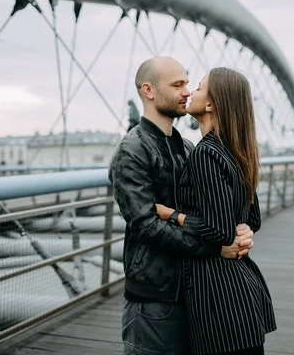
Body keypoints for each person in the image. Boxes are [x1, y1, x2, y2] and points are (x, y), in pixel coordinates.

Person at [108, 57, 255, 355]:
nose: (187, 91)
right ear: (148, 91)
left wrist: (242, 230)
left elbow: (215, 212)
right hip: (154, 298)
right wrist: (216, 247)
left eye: (189, 84)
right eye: (178, 85)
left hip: (196, 292)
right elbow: (145, 226)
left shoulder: (188, 148)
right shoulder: (132, 150)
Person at [155, 67, 277, 355]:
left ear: (210, 104)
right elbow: (253, 219)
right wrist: (244, 229)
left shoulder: (206, 153)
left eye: (197, 88)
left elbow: (218, 231)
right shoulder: (236, 150)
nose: (190, 93)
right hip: (240, 290)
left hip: (220, 298)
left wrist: (172, 215)